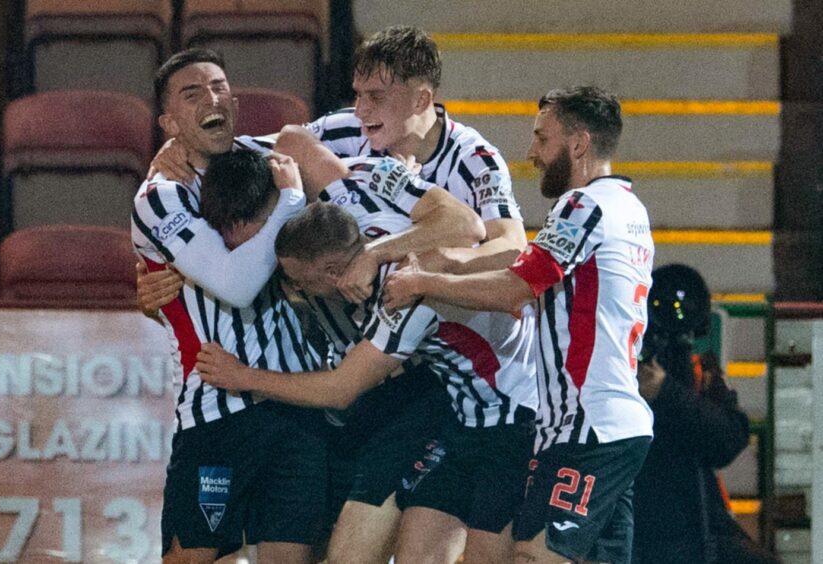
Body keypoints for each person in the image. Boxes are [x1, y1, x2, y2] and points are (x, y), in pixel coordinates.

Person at [382, 86, 655, 564]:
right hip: (614, 424)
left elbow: (516, 287)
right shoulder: (630, 209)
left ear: (578, 144)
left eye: (541, 138)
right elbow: (536, 282)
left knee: (532, 557)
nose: (531, 153)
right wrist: (458, 266)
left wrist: (423, 281)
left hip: (585, 425)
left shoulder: (582, 207)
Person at [195, 199, 539, 564]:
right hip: (464, 420)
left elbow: (341, 389)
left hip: (514, 421)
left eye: (298, 280)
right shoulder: (380, 233)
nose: (293, 289)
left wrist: (243, 376)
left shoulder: (402, 290)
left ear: (331, 271)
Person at [149, 25, 527, 304]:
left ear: (421, 100)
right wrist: (172, 148)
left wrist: (428, 266)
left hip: (476, 351)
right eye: (358, 95)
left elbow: (512, 247)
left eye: (376, 97)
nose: (362, 110)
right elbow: (257, 150)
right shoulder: (346, 127)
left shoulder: (476, 160)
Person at [131, 48, 329, 564]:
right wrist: (288, 203)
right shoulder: (161, 196)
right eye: (192, 94)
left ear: (234, 103)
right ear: (169, 122)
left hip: (296, 403)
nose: (211, 98)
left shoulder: (271, 160)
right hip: (217, 411)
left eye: (219, 87)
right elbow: (235, 286)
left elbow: (340, 141)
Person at [633, 264, 780, 564]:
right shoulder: (619, 367)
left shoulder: (701, 369)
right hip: (639, 525)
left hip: (698, 523)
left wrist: (666, 392)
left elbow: (727, 441)